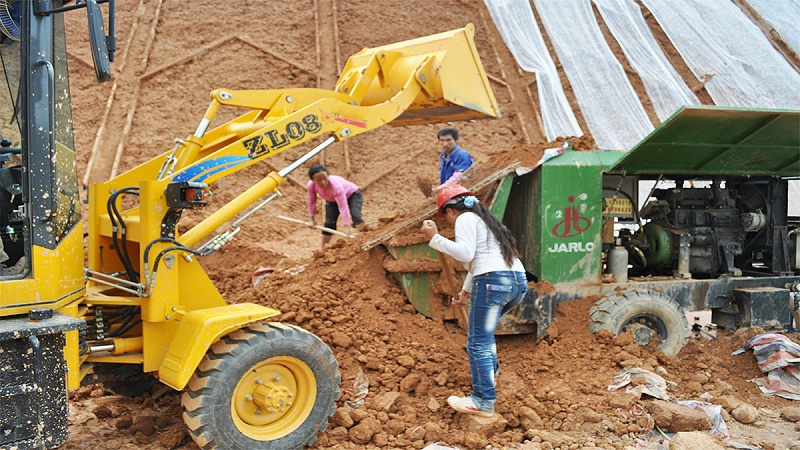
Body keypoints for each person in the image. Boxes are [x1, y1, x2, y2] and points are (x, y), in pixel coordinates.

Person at [421, 184, 527, 418]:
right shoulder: (487, 222)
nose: (449, 222)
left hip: (492, 282)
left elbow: (467, 255)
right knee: (484, 336)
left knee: (477, 342)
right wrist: (465, 293)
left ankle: (483, 400)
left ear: (450, 211)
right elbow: (481, 260)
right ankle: (492, 374)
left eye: (446, 218)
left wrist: (435, 238)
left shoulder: (464, 219)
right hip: (516, 282)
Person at [306, 164, 364, 249]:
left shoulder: (335, 187)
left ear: (328, 176)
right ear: (313, 180)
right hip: (332, 200)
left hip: (352, 194)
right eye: (318, 180)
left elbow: (343, 207)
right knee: (329, 223)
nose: (323, 182)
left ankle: (363, 240)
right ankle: (323, 249)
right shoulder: (311, 186)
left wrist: (347, 227)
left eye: (324, 178)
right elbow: (312, 201)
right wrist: (311, 219)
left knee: (356, 216)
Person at [434, 128, 473, 194]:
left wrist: (441, 188)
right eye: (442, 140)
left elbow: (459, 176)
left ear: (456, 140)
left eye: (448, 140)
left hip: (460, 193)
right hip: (449, 192)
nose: (445, 144)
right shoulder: (443, 156)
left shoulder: (462, 155)